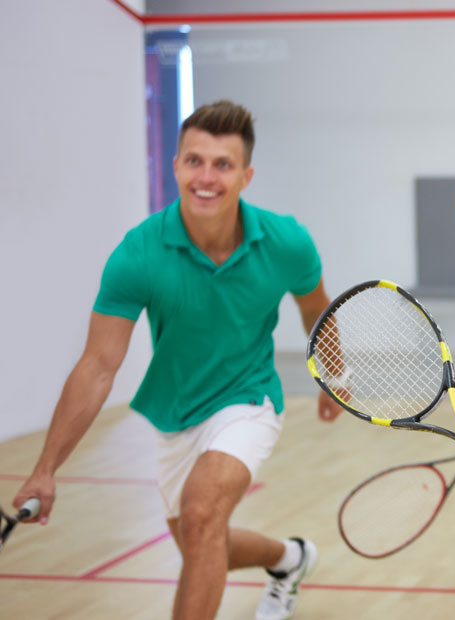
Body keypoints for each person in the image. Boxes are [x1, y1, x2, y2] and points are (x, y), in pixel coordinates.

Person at [10, 100, 343, 620]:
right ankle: (289, 558)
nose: (206, 177)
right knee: (200, 539)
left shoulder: (286, 242)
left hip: (248, 399)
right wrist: (44, 469)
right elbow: (99, 365)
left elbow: (315, 307)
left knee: (202, 513)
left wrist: (330, 375)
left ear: (246, 175)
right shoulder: (139, 253)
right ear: (175, 166)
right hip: (175, 413)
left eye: (222, 164)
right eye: (194, 161)